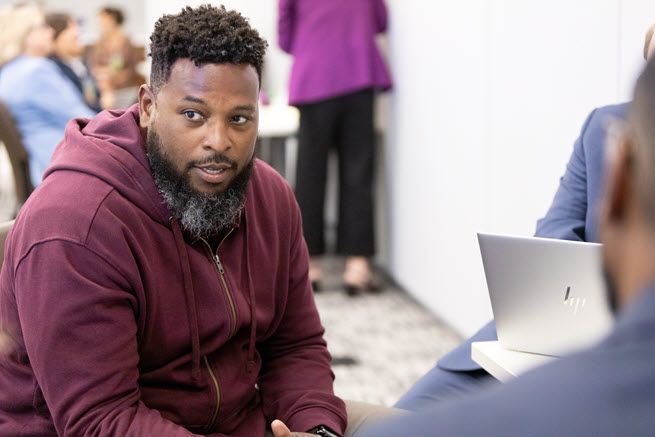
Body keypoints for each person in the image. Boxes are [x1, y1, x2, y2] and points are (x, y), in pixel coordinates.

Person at [0, 5, 393, 436]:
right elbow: (102, 420)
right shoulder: (75, 225)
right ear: (148, 106)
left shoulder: (271, 198)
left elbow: (294, 346)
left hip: (240, 420)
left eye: (239, 119)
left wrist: (316, 428)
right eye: (194, 115)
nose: (219, 142)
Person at [359, 48, 655, 437]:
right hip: (533, 335)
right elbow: (554, 238)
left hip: (602, 363)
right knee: (410, 408)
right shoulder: (604, 127)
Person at [278, 0, 392, 294]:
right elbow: (380, 20)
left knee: (310, 174)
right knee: (358, 172)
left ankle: (310, 265)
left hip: (314, 74)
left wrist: (315, 41)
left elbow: (284, 35)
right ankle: (357, 267)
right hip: (358, 72)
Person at [0, 4, 96, 188]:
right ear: (26, 35)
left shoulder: (8, 72)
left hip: (40, 169)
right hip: (64, 168)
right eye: (42, 27)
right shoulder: (36, 70)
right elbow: (86, 120)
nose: (50, 31)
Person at [45, 12, 103, 112]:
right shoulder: (52, 69)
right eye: (75, 38)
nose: (79, 41)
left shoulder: (79, 62)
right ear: (57, 37)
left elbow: (92, 93)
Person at [87, 6, 140, 108]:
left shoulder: (126, 42)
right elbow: (93, 65)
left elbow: (131, 71)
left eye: (104, 20)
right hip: (100, 83)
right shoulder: (99, 42)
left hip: (122, 86)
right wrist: (101, 75)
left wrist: (110, 78)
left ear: (113, 20)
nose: (100, 23)